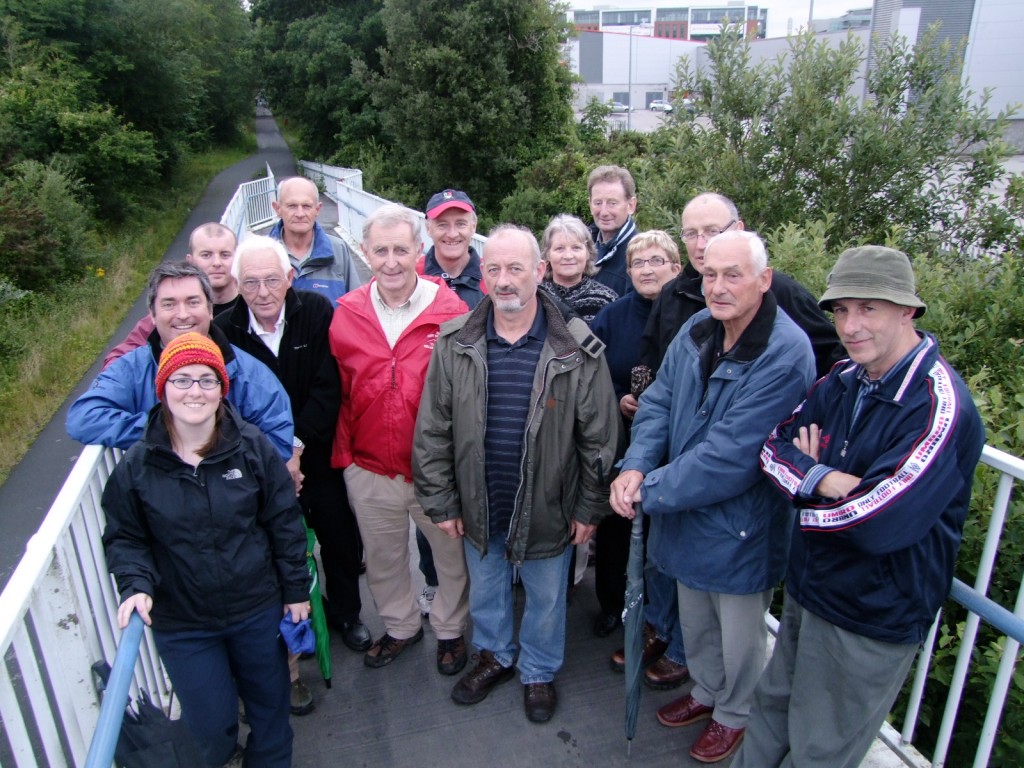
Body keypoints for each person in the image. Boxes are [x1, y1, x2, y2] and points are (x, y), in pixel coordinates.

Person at [734, 246, 985, 768]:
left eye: (868, 308)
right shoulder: (844, 379)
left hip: (871, 611)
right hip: (810, 587)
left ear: (907, 311)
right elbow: (771, 447)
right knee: (771, 712)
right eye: (842, 309)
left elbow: (878, 523)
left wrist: (802, 490)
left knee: (819, 749)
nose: (850, 325)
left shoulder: (939, 405)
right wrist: (823, 481)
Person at [612, 191, 843, 687]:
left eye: (732, 275)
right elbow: (657, 402)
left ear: (764, 279)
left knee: (737, 640)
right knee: (697, 629)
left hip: (740, 526)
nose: (717, 286)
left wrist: (646, 489)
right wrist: (634, 464)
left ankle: (734, 715)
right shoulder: (700, 326)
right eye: (710, 275)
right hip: (686, 511)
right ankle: (706, 692)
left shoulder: (785, 351)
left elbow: (732, 456)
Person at [413, 224, 622, 724]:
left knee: (547, 595)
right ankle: (495, 656)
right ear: (482, 274)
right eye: (494, 269)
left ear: (540, 272)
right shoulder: (455, 341)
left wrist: (590, 507)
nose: (504, 280)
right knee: (486, 587)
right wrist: (441, 501)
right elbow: (433, 427)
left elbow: (598, 436)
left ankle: (538, 671)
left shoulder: (576, 347)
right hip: (479, 498)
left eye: (516, 268)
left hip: (550, 501)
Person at [101, 332, 310, 768]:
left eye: (206, 380)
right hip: (184, 623)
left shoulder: (251, 448)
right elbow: (126, 536)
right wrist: (135, 584)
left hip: (256, 609)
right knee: (211, 728)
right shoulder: (138, 466)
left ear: (221, 388)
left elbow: (283, 522)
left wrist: (295, 592)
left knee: (271, 717)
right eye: (182, 380)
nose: (194, 391)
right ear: (163, 388)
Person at [215, 235, 370, 717]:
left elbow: (331, 383)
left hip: (317, 455)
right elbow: (230, 405)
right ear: (237, 285)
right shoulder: (224, 330)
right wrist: (274, 459)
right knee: (278, 554)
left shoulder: (317, 312)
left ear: (290, 278)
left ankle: (346, 613)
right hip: (257, 468)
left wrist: (296, 450)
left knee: (341, 539)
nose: (262, 291)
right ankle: (293, 638)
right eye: (251, 282)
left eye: (271, 280)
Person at [329, 204, 471, 676]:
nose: (391, 261)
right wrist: (347, 460)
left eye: (401, 250)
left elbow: (469, 395)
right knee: (386, 560)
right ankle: (402, 626)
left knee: (451, 559)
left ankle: (450, 631)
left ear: (419, 253)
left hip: (436, 470)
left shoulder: (452, 312)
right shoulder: (346, 313)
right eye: (381, 250)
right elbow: (337, 391)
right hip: (370, 468)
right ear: (366, 253)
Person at [67, 261, 293, 460]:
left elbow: (279, 441)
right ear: (152, 315)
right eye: (169, 304)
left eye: (193, 302)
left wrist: (212, 445)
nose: (183, 314)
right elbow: (84, 417)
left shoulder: (250, 373)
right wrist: (168, 431)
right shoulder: (132, 369)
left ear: (210, 309)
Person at [588, 231, 680, 641]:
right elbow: (589, 372)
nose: (647, 269)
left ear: (676, 269)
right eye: (638, 263)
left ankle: (656, 617)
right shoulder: (613, 315)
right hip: (621, 437)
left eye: (657, 261)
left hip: (674, 443)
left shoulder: (693, 315)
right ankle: (611, 604)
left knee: (664, 531)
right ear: (627, 272)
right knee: (615, 526)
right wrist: (619, 397)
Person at [103, 222, 240, 369]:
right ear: (190, 261)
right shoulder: (167, 317)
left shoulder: (252, 306)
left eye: (225, 255)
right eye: (206, 255)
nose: (217, 263)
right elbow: (116, 363)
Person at [269, 176, 362, 306]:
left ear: (317, 209)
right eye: (292, 206)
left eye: (306, 206)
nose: (300, 213)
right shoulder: (262, 254)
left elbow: (356, 306)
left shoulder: (338, 250)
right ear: (277, 208)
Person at [539, 214, 619, 324]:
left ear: (588, 252)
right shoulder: (535, 297)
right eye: (559, 248)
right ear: (547, 254)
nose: (568, 256)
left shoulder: (606, 299)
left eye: (576, 248)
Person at [419, 188, 487, 308]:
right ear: (428, 228)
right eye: (442, 225)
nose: (452, 234)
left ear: (473, 227)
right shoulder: (412, 275)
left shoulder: (492, 276)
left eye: (460, 224)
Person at [588, 165, 639, 296]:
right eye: (598, 203)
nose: (604, 212)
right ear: (590, 204)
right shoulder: (580, 250)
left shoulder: (640, 257)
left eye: (612, 203)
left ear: (631, 205)